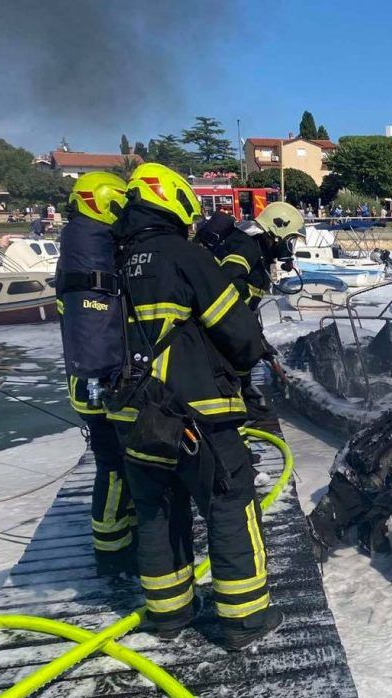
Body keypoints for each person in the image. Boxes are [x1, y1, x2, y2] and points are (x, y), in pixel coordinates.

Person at [108, 162, 278, 650]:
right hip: (194, 413)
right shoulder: (185, 256)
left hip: (130, 415)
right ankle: (245, 618)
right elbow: (239, 333)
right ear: (175, 202)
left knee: (157, 509)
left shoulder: (114, 261)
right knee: (230, 501)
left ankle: (169, 613)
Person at [55, 172, 137, 575]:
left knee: (119, 460)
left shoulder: (81, 243)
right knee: (114, 463)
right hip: (97, 382)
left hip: (91, 378)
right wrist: (108, 385)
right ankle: (113, 550)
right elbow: (96, 330)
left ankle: (123, 530)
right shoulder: (92, 247)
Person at [214, 201, 306, 431]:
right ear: (278, 230)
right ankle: (236, 426)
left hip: (234, 323)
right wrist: (248, 329)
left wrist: (255, 334)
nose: (289, 247)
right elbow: (228, 281)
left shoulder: (256, 247)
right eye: (290, 240)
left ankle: (249, 407)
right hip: (222, 326)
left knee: (245, 360)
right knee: (231, 369)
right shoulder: (246, 245)